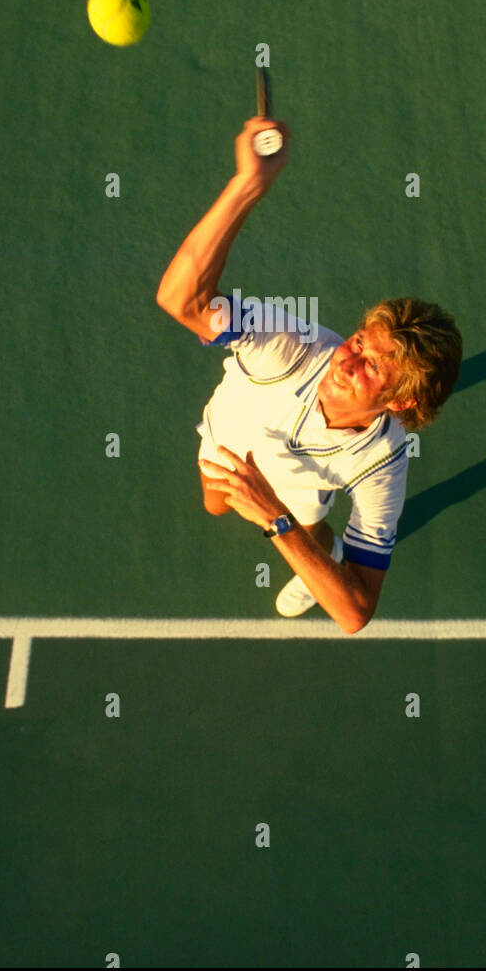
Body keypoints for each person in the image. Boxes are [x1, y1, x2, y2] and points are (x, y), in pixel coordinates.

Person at [155, 114, 462, 634]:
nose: (346, 359)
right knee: (214, 506)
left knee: (308, 528)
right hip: (227, 439)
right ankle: (319, 548)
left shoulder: (382, 463)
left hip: (295, 496)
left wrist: (277, 519)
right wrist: (248, 183)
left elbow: (355, 613)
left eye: (371, 366)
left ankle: (325, 550)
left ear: (401, 402)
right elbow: (178, 299)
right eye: (359, 341)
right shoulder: (290, 345)